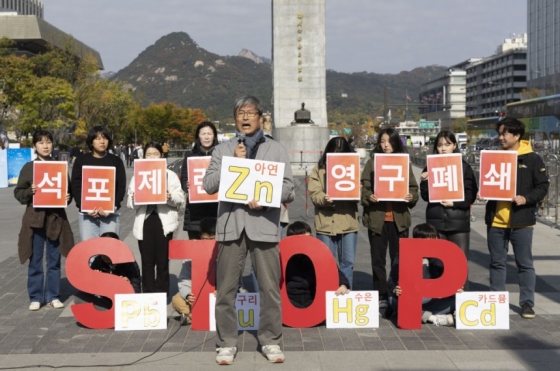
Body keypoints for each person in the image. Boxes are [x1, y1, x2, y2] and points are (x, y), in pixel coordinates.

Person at [203, 95, 294, 365]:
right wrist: (233, 160)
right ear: (235, 119)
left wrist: (266, 198)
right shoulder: (223, 149)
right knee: (226, 289)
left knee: (269, 289)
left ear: (260, 117)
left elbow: (289, 189)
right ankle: (226, 343)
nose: (245, 117)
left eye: (250, 112)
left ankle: (271, 341)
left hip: (264, 225)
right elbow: (209, 185)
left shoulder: (276, 149)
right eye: (240, 113)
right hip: (231, 227)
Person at [481, 117, 549, 319]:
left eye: (504, 133)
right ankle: (496, 301)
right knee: (496, 262)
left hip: (522, 221)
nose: (500, 137)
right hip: (496, 220)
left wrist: (526, 198)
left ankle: (527, 303)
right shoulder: (493, 157)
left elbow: (543, 186)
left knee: (524, 263)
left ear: (517, 135)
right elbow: (487, 184)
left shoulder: (532, 159)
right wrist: (483, 193)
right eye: (499, 133)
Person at [14, 130, 74, 311]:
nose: (45, 146)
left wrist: (67, 197)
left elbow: (67, 193)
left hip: (55, 219)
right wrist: (29, 191)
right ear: (34, 146)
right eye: (41, 143)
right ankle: (35, 296)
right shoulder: (29, 167)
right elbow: (18, 192)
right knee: (35, 259)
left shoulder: (59, 167)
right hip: (35, 219)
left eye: (48, 142)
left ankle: (53, 295)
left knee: (54, 259)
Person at [361, 127, 418, 308]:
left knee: (399, 260)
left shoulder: (404, 163)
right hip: (377, 220)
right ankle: (382, 296)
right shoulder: (372, 163)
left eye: (389, 141)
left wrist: (411, 197)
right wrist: (368, 196)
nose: (386, 145)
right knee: (378, 261)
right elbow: (364, 188)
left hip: (399, 220)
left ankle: (398, 294)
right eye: (382, 141)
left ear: (396, 143)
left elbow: (413, 188)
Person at [420, 130, 478, 289]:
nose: (443, 148)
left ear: (454, 146)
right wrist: (424, 181)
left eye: (447, 144)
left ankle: (459, 304)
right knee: (437, 263)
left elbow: (471, 194)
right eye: (439, 145)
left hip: (458, 222)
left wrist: (454, 204)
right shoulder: (431, 166)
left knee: (460, 263)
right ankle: (440, 301)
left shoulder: (464, 167)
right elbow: (425, 196)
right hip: (435, 222)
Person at [128, 142, 185, 294]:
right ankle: (147, 294)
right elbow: (129, 202)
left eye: (156, 153)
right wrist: (134, 198)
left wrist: (169, 197)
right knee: (146, 262)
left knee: (162, 261)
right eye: (149, 154)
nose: (152, 156)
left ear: (162, 155)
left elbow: (181, 198)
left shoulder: (170, 175)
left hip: (163, 222)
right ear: (143, 156)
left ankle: (161, 293)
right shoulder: (138, 176)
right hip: (145, 221)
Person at [308, 137, 360, 289]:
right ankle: (327, 295)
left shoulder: (354, 168)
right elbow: (314, 194)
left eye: (341, 152)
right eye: (334, 151)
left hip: (348, 222)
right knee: (326, 263)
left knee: (348, 263)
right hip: (325, 223)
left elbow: (360, 197)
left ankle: (345, 298)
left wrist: (358, 190)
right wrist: (324, 199)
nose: (337, 154)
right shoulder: (318, 169)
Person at [386, 223, 461, 327]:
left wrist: (455, 289)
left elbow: (448, 280)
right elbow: (391, 279)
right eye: (428, 242)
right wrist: (395, 289)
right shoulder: (403, 255)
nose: (432, 245)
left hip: (432, 299)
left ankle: (422, 314)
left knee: (457, 300)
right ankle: (433, 318)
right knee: (392, 301)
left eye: (435, 240)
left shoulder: (440, 257)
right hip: (410, 299)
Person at [71, 126, 127, 241]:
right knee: (90, 252)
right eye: (97, 138)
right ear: (91, 142)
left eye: (105, 138)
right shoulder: (81, 161)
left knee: (109, 252)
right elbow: (76, 186)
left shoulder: (115, 161)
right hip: (87, 215)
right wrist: (84, 207)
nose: (102, 141)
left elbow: (121, 187)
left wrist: (112, 207)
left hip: (110, 214)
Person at [284, 221, 349, 308]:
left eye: (310, 237)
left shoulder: (318, 255)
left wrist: (343, 284)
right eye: (303, 238)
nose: (307, 241)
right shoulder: (284, 257)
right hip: (291, 300)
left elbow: (335, 271)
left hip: (314, 299)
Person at [171, 217, 216, 325]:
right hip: (198, 295)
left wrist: (222, 290)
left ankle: (192, 317)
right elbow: (184, 279)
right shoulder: (191, 253)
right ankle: (199, 317)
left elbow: (235, 280)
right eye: (205, 239)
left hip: (219, 296)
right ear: (200, 237)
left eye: (212, 239)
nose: (208, 243)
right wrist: (187, 294)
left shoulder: (225, 252)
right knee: (177, 300)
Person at [180, 121, 220, 239]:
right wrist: (186, 185)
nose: (206, 137)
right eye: (203, 134)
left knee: (216, 250)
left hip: (216, 210)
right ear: (198, 136)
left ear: (214, 136)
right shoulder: (190, 156)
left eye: (209, 133)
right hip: (195, 212)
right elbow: (184, 178)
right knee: (196, 250)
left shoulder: (221, 156)